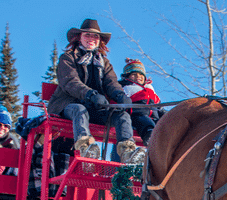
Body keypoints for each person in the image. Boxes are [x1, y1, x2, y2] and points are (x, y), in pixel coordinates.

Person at [47, 19, 146, 165]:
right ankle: (86, 148)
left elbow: (111, 83)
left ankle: (128, 151)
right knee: (79, 110)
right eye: (87, 35)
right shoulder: (68, 58)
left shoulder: (104, 63)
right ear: (79, 37)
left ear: (100, 41)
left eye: (95, 37)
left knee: (122, 114)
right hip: (69, 105)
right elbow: (70, 82)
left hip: (96, 109)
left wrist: (120, 96)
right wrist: (90, 94)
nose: (91, 39)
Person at [118, 58, 162, 147]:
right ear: (127, 76)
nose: (138, 76)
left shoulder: (149, 88)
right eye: (134, 74)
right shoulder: (127, 87)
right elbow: (117, 98)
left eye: (141, 74)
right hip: (136, 115)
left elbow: (158, 103)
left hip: (153, 116)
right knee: (144, 121)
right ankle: (149, 137)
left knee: (164, 121)